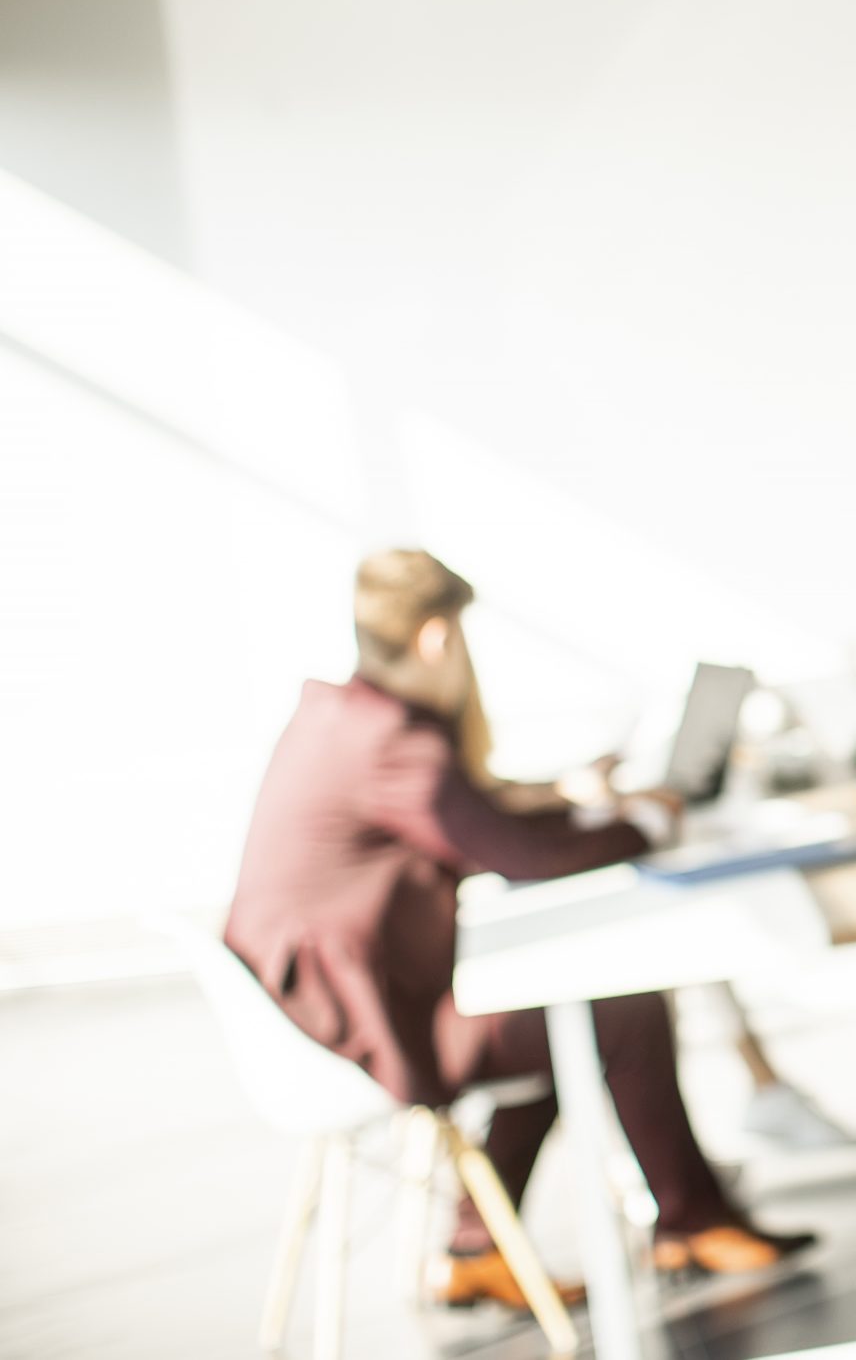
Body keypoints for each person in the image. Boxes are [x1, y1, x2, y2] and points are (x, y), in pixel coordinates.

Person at [225, 551, 815, 1312]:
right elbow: (520, 853)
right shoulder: (392, 741)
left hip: (318, 1006)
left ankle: (478, 1248)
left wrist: (566, 795)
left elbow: (469, 814)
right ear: (438, 638)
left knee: (562, 1013)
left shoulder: (348, 716)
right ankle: (691, 1220)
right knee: (615, 1009)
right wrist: (646, 818)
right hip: (357, 1028)